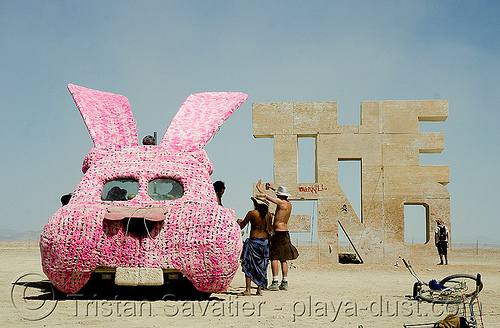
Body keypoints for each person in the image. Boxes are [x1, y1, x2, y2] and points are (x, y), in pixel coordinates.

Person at [256, 179, 299, 291]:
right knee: (283, 259)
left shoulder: (280, 202)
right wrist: (272, 188)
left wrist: (259, 188)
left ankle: (275, 281)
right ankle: (284, 282)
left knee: (274, 257)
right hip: (286, 232)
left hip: (278, 232)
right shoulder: (289, 204)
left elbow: (267, 197)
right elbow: (278, 194)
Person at [237, 195, 274, 295]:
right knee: (262, 266)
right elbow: (270, 231)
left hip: (254, 241)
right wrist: (269, 243)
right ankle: (259, 289)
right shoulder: (268, 215)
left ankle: (248, 289)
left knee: (249, 264)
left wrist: (238, 222)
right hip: (264, 242)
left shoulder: (252, 213)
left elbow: (242, 226)